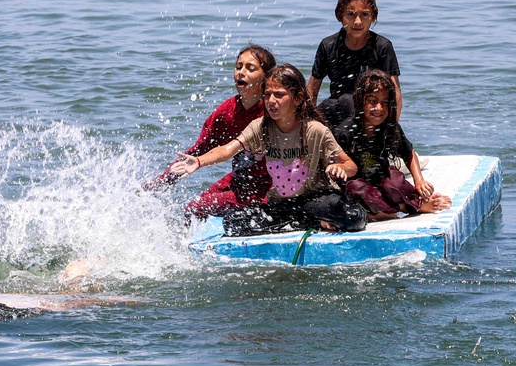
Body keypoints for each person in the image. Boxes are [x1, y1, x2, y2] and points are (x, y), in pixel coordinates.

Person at [169, 64, 367, 235]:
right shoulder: (261, 126)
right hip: (280, 203)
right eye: (267, 95)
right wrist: (199, 161)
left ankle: (305, 220)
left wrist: (341, 169)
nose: (271, 101)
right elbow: (227, 150)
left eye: (279, 95)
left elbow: (350, 165)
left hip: (315, 199)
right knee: (233, 223)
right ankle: (309, 223)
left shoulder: (315, 130)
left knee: (353, 218)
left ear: (297, 98)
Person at [147, 45, 276, 218]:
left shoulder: (273, 110)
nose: (241, 72)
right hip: (239, 181)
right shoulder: (226, 112)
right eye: (238, 67)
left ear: (267, 77)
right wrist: (161, 183)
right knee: (193, 210)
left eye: (250, 68)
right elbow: (197, 151)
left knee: (197, 208)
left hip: (269, 188)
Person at [335, 69, 451, 219]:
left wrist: (419, 180)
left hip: (382, 184)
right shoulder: (345, 132)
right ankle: (404, 207)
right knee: (357, 189)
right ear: (360, 100)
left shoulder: (390, 127)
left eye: (385, 103)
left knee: (394, 180)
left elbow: (408, 152)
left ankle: (384, 212)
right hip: (358, 187)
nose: (379, 108)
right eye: (372, 101)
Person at [307, 0, 402, 120]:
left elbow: (395, 91)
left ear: (373, 17)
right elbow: (312, 89)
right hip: (337, 112)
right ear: (340, 15)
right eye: (350, 14)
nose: (357, 22)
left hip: (371, 114)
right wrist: (309, 123)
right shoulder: (328, 46)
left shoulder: (382, 47)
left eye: (364, 15)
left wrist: (392, 125)